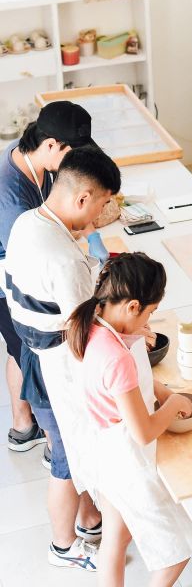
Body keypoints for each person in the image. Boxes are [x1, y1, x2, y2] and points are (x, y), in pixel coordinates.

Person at [4, 145, 121, 570]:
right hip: (55, 368)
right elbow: (84, 330)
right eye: (103, 205)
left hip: (30, 352)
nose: (99, 217)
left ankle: (89, 523)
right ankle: (63, 546)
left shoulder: (26, 222)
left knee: (67, 451)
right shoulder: (64, 258)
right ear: (83, 198)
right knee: (66, 459)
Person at [66, 252, 192, 587]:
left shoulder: (89, 323)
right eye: (150, 312)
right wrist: (175, 404)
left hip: (103, 451)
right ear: (131, 306)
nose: (149, 322)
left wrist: (163, 392)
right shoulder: (116, 357)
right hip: (127, 459)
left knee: (116, 536)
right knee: (178, 548)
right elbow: (143, 433)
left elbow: (127, 383)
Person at [0, 102, 108, 457]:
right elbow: (39, 253)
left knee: (23, 350)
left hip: (23, 271)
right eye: (71, 154)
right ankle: (51, 444)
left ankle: (25, 426)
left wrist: (91, 235)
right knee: (26, 349)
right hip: (11, 280)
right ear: (51, 146)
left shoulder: (37, 159)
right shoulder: (10, 193)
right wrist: (87, 242)